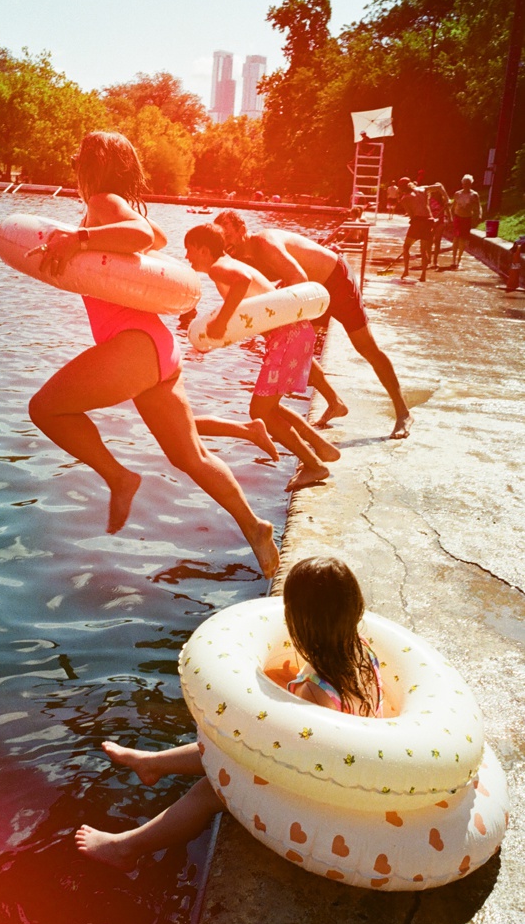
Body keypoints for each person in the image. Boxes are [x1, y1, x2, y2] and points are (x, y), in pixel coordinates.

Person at [31, 131, 278, 578]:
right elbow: (158, 236)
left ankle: (118, 476)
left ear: (94, 168)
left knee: (45, 409)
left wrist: (80, 237)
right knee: (192, 456)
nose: (73, 166)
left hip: (131, 344)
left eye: (78, 160)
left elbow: (144, 233)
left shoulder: (103, 204)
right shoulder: (111, 209)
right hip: (156, 347)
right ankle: (255, 526)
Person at [76, 556, 385, 869]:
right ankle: (151, 764)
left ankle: (125, 848)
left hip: (317, 796)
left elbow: (292, 747)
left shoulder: (317, 692)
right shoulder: (362, 651)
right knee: (225, 753)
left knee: (210, 790)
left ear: (298, 622)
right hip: (338, 768)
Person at [214, 210, 411, 439]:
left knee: (365, 347)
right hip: (312, 293)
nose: (227, 244)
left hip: (336, 281)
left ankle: (403, 412)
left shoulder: (264, 242)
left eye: (229, 235)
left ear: (242, 229)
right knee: (299, 347)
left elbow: (299, 279)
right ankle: (335, 402)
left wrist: (279, 309)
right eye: (222, 239)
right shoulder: (240, 260)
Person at [185, 224, 339, 491]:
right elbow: (247, 314)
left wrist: (220, 323)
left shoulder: (218, 267)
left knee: (259, 412)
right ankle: (321, 447)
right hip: (294, 333)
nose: (187, 257)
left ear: (203, 249)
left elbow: (241, 285)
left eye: (189, 251)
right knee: (271, 407)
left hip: (286, 338)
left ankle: (314, 466)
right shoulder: (231, 263)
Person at [450, 175, 483, 270]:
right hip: (457, 218)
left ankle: (459, 260)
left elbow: (478, 207)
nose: (466, 186)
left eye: (468, 184)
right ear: (462, 184)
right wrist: (450, 217)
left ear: (471, 184)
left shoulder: (474, 195)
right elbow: (453, 206)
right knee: (456, 238)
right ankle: (453, 260)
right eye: (464, 184)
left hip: (467, 218)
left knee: (462, 240)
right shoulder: (457, 194)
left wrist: (479, 215)